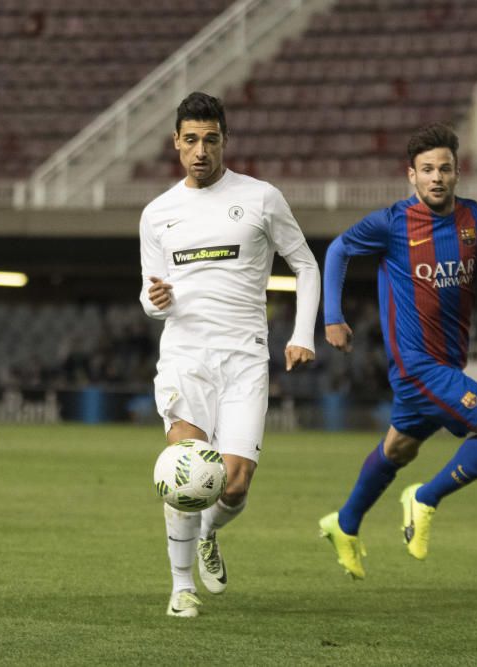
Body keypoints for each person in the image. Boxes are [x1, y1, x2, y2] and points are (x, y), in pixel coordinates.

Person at [318, 123, 477, 579]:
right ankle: (425, 498)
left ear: (457, 173)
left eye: (445, 169)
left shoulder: (473, 219)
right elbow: (338, 250)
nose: (437, 177)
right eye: (427, 169)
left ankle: (344, 522)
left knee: (399, 449)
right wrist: (332, 315)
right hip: (417, 367)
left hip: (447, 364)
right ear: (411, 175)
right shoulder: (393, 223)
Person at [139, 92, 320, 617]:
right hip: (185, 357)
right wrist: (155, 301)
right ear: (176, 142)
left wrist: (301, 333)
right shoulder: (158, 214)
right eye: (190, 139)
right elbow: (149, 296)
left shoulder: (261, 198)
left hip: (244, 358)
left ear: (225, 141)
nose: (200, 150)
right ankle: (180, 588)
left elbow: (305, 265)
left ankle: (208, 535)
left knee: (233, 486)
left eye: (210, 139)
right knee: (184, 471)